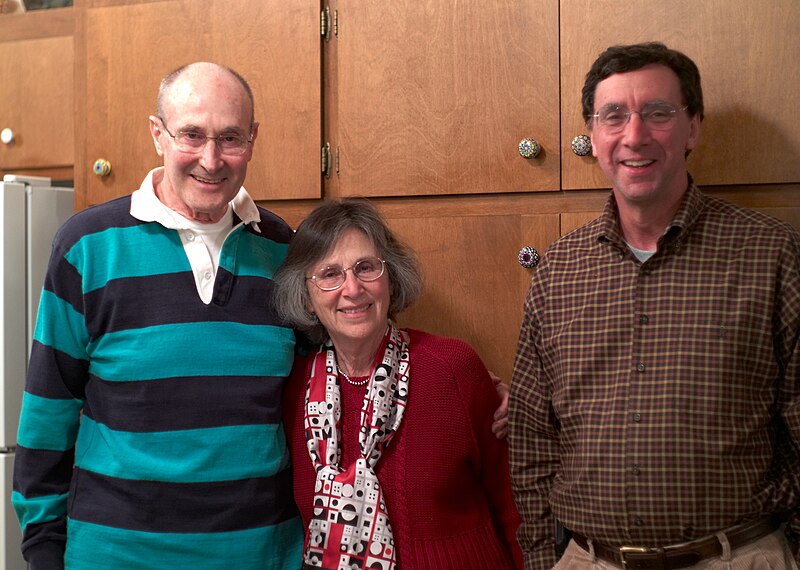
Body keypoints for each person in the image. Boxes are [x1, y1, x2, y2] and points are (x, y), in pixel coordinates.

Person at [508, 42, 800, 569]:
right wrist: (539, 560)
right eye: (613, 115)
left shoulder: (773, 255)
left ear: (693, 128)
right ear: (594, 135)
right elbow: (532, 441)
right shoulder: (557, 271)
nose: (634, 135)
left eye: (658, 113)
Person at [12, 62, 303, 569]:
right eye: (191, 134)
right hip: (115, 554)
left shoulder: (284, 251)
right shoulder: (87, 247)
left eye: (230, 138)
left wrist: (478, 399)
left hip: (259, 553)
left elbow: (337, 386)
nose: (211, 160)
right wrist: (42, 549)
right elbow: (47, 415)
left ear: (252, 139)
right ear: (158, 135)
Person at [274, 198, 524, 569]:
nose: (353, 288)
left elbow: (514, 506)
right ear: (307, 298)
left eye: (366, 268)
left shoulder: (452, 369)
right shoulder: (291, 389)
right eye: (330, 274)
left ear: (390, 278)